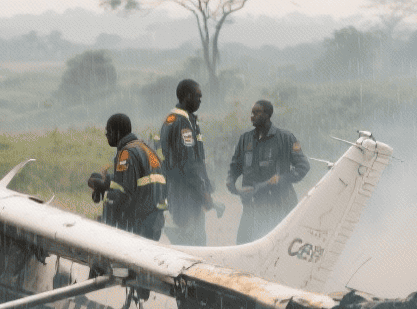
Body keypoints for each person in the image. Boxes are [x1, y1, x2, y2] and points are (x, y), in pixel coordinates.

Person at [225, 100, 310, 242]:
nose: (252, 116)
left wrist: (282, 178)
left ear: (268, 114)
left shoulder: (286, 138)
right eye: (251, 113)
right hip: (252, 204)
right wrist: (231, 182)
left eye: (256, 113)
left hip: (278, 204)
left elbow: (303, 166)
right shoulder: (245, 139)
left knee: (277, 244)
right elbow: (235, 167)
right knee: (244, 244)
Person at [89, 113, 166, 239]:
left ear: (117, 132)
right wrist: (107, 182)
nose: (106, 135)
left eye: (109, 131)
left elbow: (125, 193)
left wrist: (105, 195)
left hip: (140, 223)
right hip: (154, 221)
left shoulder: (126, 153)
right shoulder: (144, 148)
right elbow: (135, 180)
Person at [158, 78, 214, 244]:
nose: (200, 101)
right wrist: (203, 192)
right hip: (186, 195)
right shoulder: (183, 123)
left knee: (184, 242)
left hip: (176, 192)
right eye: (198, 96)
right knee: (193, 244)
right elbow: (189, 164)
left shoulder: (172, 119)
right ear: (187, 96)